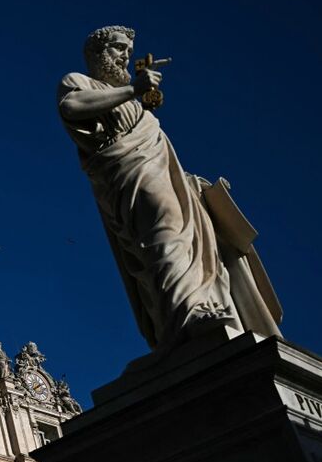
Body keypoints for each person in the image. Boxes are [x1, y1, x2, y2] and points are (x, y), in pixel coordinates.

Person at [57, 25, 281, 351]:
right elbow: (71, 107)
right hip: (128, 176)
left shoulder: (133, 101)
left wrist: (196, 186)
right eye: (118, 48)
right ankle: (189, 316)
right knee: (163, 235)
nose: (125, 56)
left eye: (127, 51)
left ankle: (201, 309)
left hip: (160, 176)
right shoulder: (78, 82)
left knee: (190, 245)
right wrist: (133, 90)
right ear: (97, 53)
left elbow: (163, 161)